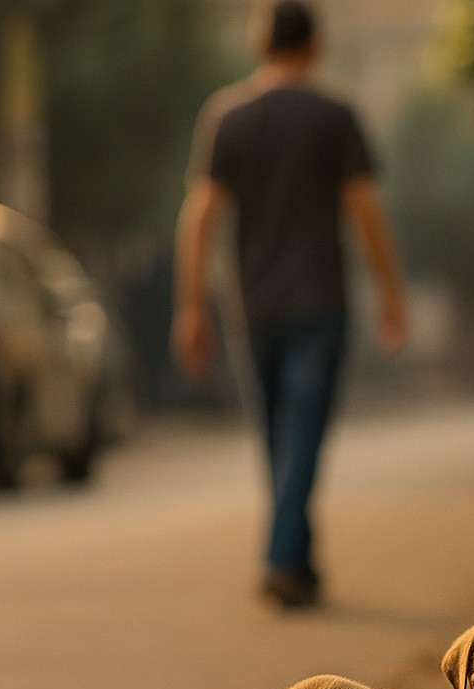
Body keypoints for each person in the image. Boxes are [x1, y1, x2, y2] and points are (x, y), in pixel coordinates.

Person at [172, 0, 405, 609]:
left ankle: (297, 565)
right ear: (314, 46)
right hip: (320, 302)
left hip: (251, 303)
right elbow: (364, 211)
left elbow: (200, 217)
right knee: (300, 433)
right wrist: (390, 293)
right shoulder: (334, 115)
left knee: (279, 435)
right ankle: (283, 557)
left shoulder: (228, 115)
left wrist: (191, 308)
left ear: (260, 43)